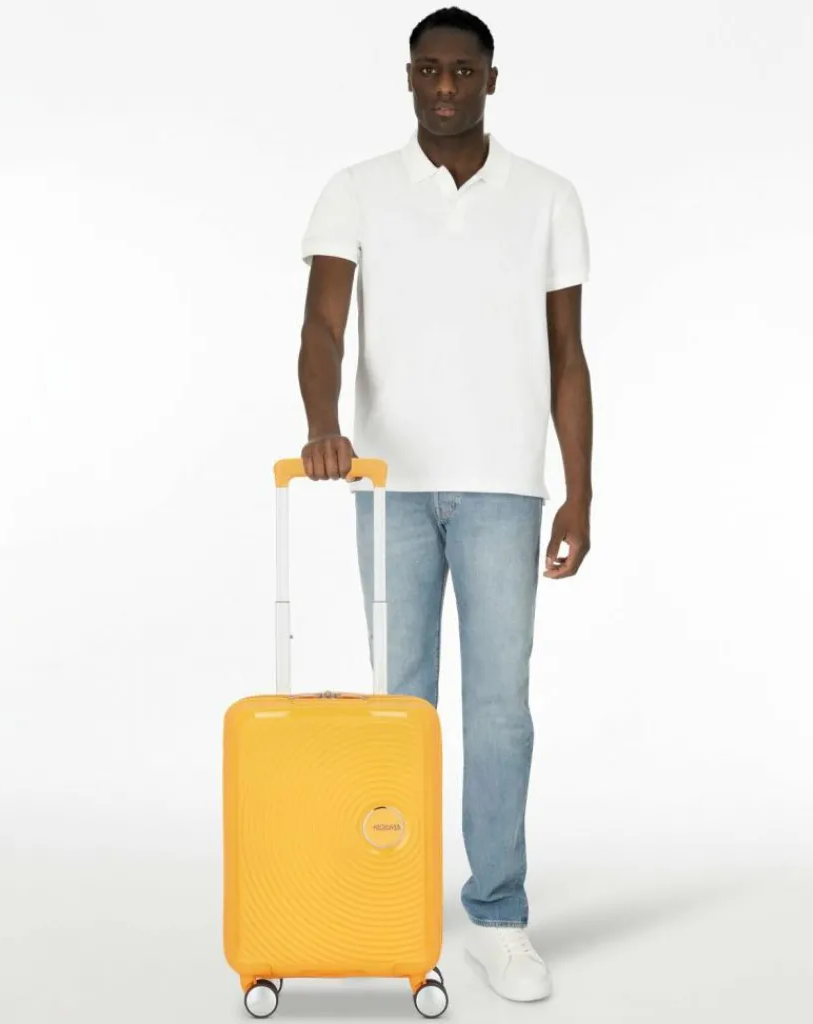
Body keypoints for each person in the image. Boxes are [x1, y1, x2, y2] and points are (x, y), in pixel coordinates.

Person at [295, 6, 592, 1004]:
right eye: (430, 70)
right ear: (409, 77)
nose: (447, 87)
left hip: (506, 483)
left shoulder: (546, 197)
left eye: (464, 71)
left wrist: (580, 489)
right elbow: (323, 326)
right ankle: (396, 901)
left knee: (500, 709)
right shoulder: (356, 189)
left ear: (491, 80)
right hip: (390, 483)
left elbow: (567, 355)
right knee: (402, 707)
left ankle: (498, 918)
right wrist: (323, 423)